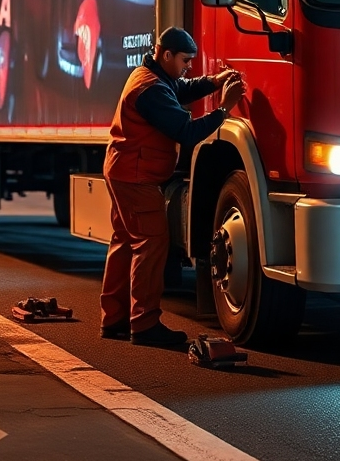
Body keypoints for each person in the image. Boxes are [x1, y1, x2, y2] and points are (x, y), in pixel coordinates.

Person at [100, 26, 243, 346]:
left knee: (125, 243)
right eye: (185, 60)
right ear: (166, 55)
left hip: (124, 171)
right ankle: (145, 325)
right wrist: (224, 108)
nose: (188, 67)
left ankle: (115, 319)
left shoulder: (150, 77)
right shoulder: (151, 90)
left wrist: (212, 82)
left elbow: (180, 88)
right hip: (137, 177)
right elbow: (187, 132)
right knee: (151, 246)